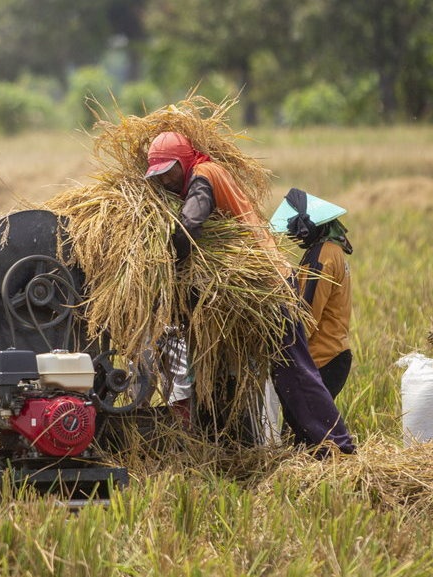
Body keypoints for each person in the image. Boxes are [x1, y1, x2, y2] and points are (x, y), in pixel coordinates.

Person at [144, 131, 355, 455]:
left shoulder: (203, 176)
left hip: (268, 286)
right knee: (285, 373)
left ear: (184, 161)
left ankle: (337, 446)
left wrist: (165, 266)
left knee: (295, 370)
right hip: (263, 286)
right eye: (157, 176)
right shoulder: (205, 176)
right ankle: (309, 448)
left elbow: (189, 227)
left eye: (168, 171)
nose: (165, 181)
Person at [270, 189, 353, 399]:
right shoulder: (332, 250)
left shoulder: (321, 256)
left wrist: (281, 347)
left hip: (322, 359)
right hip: (334, 353)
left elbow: (307, 315)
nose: (293, 236)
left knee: (305, 429)